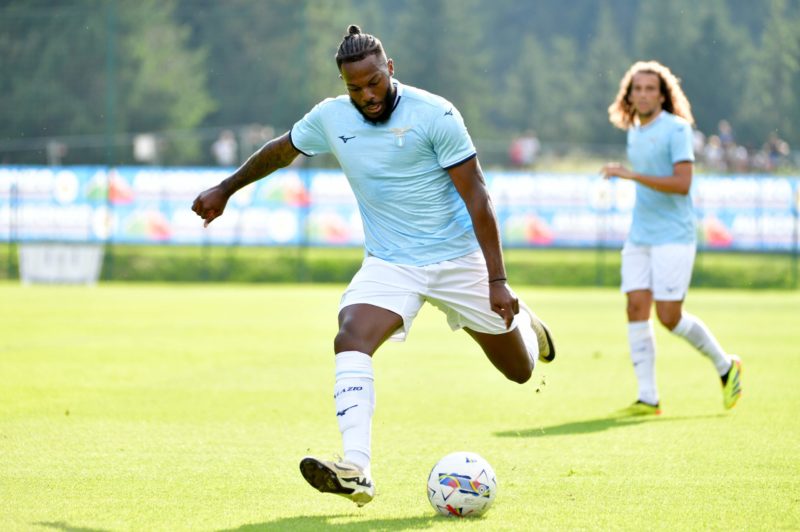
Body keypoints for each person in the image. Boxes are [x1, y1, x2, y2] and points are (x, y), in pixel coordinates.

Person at [191, 25, 555, 507]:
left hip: (457, 260)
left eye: (373, 83)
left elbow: (478, 198)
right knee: (351, 336)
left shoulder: (437, 114)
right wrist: (225, 189)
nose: (366, 95)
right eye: (354, 88)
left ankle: (526, 321)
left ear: (390, 68)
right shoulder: (331, 117)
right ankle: (356, 469)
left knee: (520, 371)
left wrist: (498, 280)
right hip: (391, 262)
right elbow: (280, 150)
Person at [600, 61, 742, 417]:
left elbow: (682, 184)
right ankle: (648, 398)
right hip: (639, 235)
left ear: (663, 95)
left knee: (668, 316)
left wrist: (630, 175)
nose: (644, 94)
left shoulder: (677, 129)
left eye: (651, 88)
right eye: (638, 88)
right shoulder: (634, 129)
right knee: (635, 308)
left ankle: (726, 366)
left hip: (673, 237)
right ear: (629, 95)